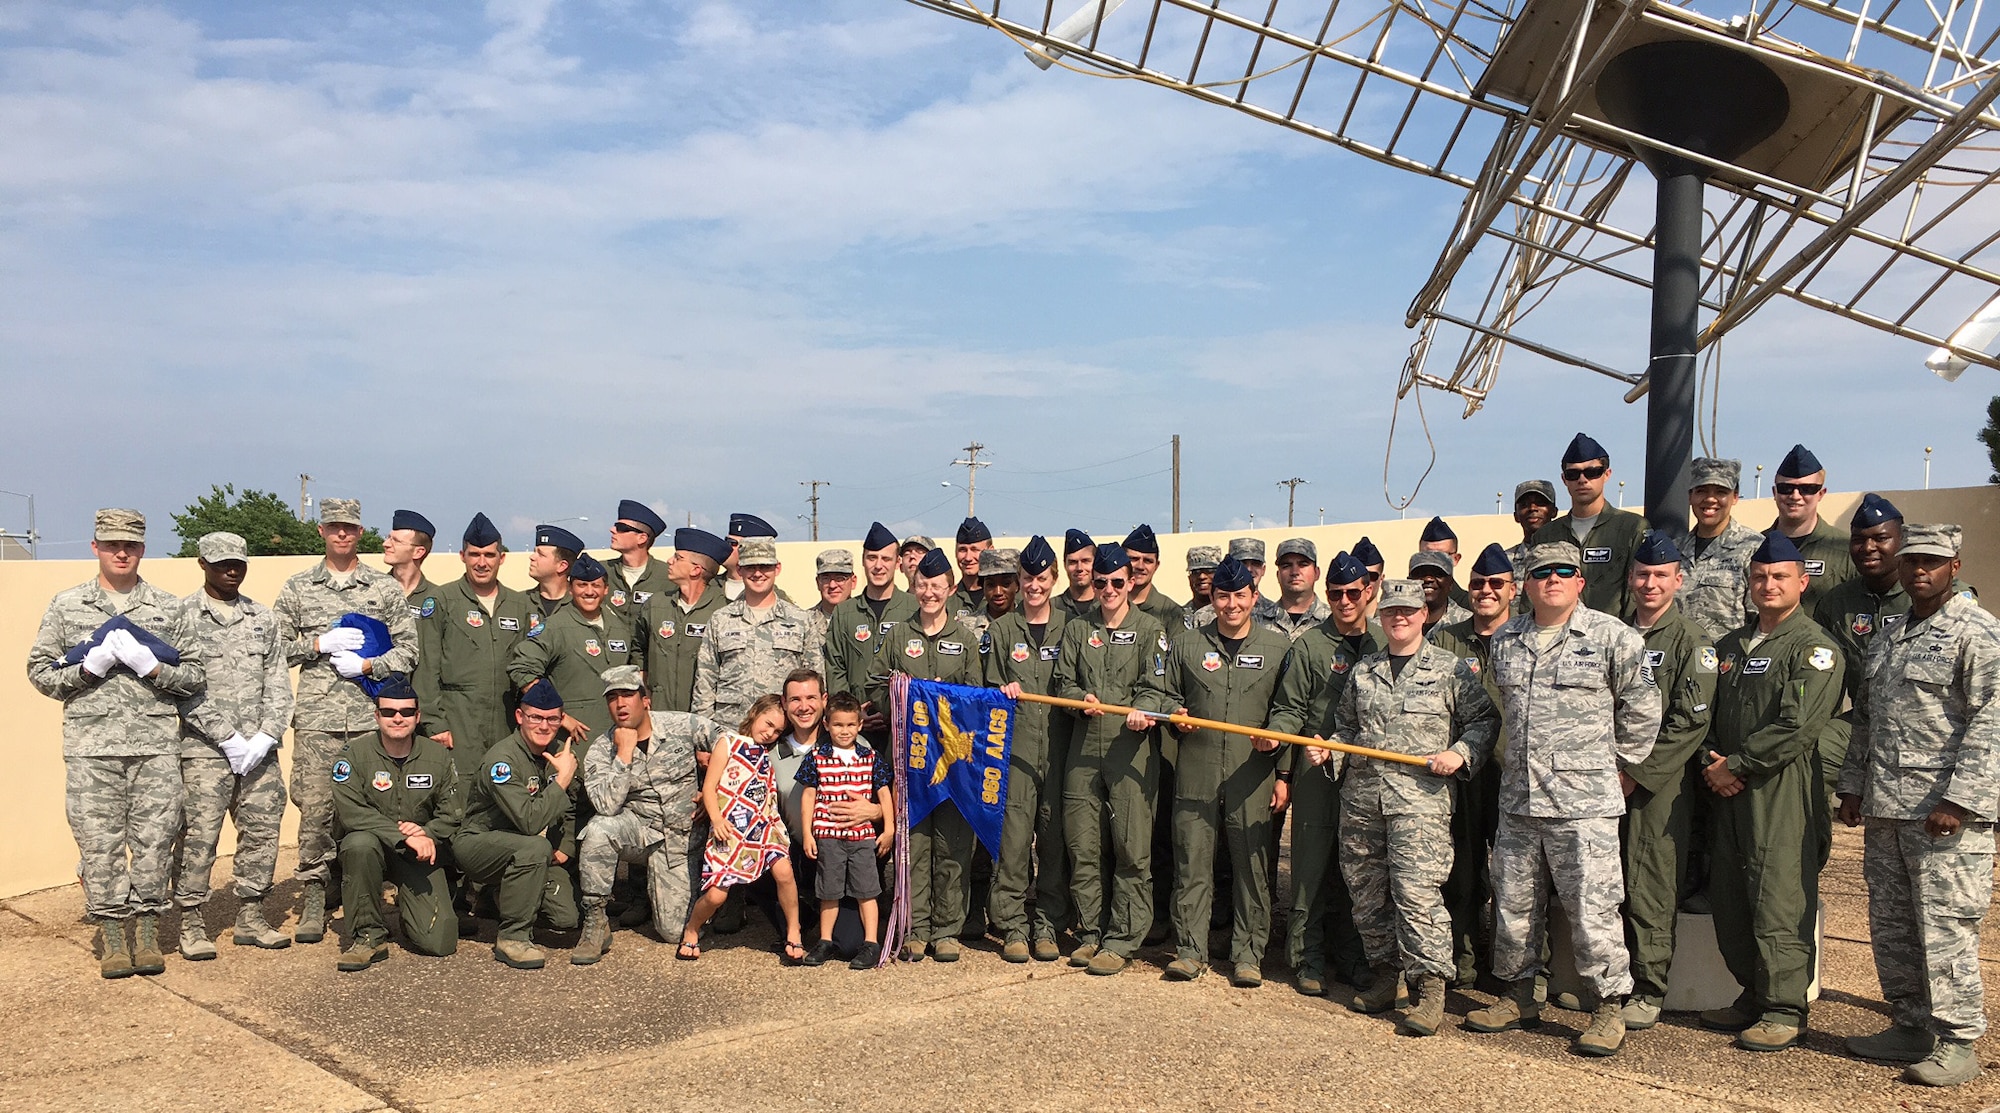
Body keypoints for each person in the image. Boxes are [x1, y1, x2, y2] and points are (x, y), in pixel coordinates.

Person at [1464, 541, 1660, 1058]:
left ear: (1580, 581)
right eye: (1541, 571)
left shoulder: (1613, 637)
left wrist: (1620, 769)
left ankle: (1609, 1004)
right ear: (1525, 583)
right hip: (1520, 801)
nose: (1552, 579)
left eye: (1563, 571)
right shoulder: (1507, 639)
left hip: (1585, 804)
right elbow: (1502, 711)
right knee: (1514, 904)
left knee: (1593, 908)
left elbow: (1642, 709)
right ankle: (1518, 994)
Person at [1837, 523, 2000, 1087]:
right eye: (1912, 562)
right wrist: (1853, 785)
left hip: (1943, 814)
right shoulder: (1888, 638)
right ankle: (1910, 1023)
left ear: (1955, 567)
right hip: (1886, 808)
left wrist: (1963, 799)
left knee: (1945, 926)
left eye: (1932, 561)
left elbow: (1992, 720)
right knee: (1894, 925)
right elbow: (1866, 720)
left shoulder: (1977, 633)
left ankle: (1958, 1040)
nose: (1919, 570)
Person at [29, 508, 206, 978]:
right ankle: (112, 936)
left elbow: (195, 675)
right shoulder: (67, 606)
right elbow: (40, 673)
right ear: (95, 548)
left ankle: (147, 933)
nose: (121, 552)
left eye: (130, 544)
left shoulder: (169, 608)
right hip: (91, 747)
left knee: (154, 839)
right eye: (111, 544)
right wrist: (90, 669)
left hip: (155, 746)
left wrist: (154, 669)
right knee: (99, 843)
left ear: (143, 549)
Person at [1318, 579, 1497, 1036]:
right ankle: (1386, 976)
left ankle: (1431, 987)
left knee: (1417, 894)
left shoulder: (1450, 669)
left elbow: (1483, 721)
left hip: (1420, 805)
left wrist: (1460, 752)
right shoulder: (1363, 672)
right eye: (1392, 611)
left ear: (1423, 615)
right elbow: (1346, 729)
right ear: (1381, 616)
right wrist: (1329, 751)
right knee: (1367, 891)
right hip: (1363, 802)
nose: (1400, 618)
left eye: (1409, 611)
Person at [1699, 532, 1845, 1052]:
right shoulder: (1730, 646)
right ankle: (1753, 993)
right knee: (1733, 894)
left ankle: (1785, 1006)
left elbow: (1798, 725)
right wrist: (1712, 760)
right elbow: (1704, 715)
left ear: (1802, 583)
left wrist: (1735, 765)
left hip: (1780, 787)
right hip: (1728, 787)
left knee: (1777, 893)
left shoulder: (1815, 648)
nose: (1768, 584)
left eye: (1780, 576)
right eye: (1760, 576)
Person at [273, 497, 418, 945]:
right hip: (318, 720)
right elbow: (273, 649)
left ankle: (369, 890)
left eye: (350, 528)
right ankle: (316, 893)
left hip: (370, 720)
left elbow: (409, 650)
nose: (342, 534)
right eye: (334, 526)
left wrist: (370, 667)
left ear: (360, 533)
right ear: (321, 531)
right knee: (316, 810)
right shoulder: (298, 588)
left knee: (377, 810)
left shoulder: (383, 588)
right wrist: (317, 643)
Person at [1160, 555, 1294, 987]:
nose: (1231, 604)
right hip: (1196, 772)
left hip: (1251, 773)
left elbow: (1291, 710)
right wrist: (1170, 712)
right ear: (1211, 598)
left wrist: (1282, 764)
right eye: (1223, 595)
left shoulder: (1278, 649)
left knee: (1251, 867)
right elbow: (1157, 691)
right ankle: (1189, 951)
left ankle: (1248, 954)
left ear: (1254, 596)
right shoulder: (1187, 645)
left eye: (1240, 595)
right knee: (1191, 864)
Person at [1054, 544, 1173, 976]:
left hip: (1130, 750)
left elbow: (1158, 685)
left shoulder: (1151, 629)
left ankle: (1122, 937)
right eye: (1100, 582)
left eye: (1117, 582)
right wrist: (1076, 699)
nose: (1108, 589)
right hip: (1084, 749)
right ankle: (1090, 932)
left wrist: (1144, 707)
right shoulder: (1076, 629)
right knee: (1083, 846)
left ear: (1131, 581)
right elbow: (1063, 680)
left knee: (1130, 848)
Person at [173, 531, 292, 957]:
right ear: (201, 562)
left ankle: (251, 915)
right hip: (203, 750)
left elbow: (278, 681)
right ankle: (190, 921)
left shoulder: (263, 618)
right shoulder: (179, 616)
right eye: (221, 562)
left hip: (259, 751)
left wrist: (266, 735)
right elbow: (179, 688)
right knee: (198, 836)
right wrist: (225, 736)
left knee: (262, 829)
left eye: (238, 563)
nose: (231, 570)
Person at [1267, 552, 1380, 996]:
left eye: (1354, 592)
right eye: (1336, 594)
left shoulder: (1383, 642)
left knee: (1359, 870)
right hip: (1316, 772)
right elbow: (1289, 708)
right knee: (1310, 868)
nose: (1345, 601)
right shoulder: (1310, 646)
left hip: (1367, 773)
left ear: (1368, 591)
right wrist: (1277, 744)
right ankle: (1306, 957)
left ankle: (1353, 957)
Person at [1618, 531, 1717, 1029]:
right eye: (1642, 574)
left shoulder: (1692, 642)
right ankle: (1612, 979)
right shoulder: (1611, 633)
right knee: (1606, 880)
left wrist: (1636, 773)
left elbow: (1690, 721)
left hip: (1660, 783)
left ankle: (1649, 986)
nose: (1650, 583)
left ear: (1679, 580)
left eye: (1660, 575)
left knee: (1649, 879)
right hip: (1604, 777)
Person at [572, 666, 727, 964]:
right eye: (613, 698)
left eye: (628, 695)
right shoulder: (601, 750)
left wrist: (713, 790)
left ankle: (686, 894)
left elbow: (726, 742)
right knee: (598, 830)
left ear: (645, 700)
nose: (620, 704)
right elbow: (606, 806)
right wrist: (623, 755)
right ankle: (595, 923)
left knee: (673, 932)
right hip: (641, 830)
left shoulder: (681, 725)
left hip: (682, 840)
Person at [871, 548, 982, 961]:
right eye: (922, 585)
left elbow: (977, 698)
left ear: (950, 589)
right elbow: (872, 687)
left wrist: (945, 696)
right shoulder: (898, 636)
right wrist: (901, 694)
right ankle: (916, 928)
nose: (929, 593)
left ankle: (948, 929)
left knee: (952, 843)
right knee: (914, 844)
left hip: (952, 760)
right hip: (910, 758)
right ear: (912, 587)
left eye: (937, 586)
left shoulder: (966, 640)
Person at [331, 675, 462, 970]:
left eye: (405, 712)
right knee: (359, 843)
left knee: (440, 943)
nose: (397, 718)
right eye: (389, 712)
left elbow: (452, 813)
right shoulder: (353, 756)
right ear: (377, 715)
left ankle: (410, 911)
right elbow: (352, 813)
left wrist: (427, 832)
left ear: (418, 716)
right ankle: (368, 936)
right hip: (373, 849)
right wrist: (401, 836)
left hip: (418, 853)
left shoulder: (438, 756)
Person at [1429, 542, 1516, 987]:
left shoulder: (1525, 639)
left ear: (1512, 590)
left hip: (1514, 779)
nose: (1486, 591)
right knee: (1458, 875)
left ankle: (1512, 971)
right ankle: (1461, 961)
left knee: (1515, 880)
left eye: (1495, 584)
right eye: (1478, 583)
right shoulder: (1445, 639)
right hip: (1459, 778)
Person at [985, 535, 1076, 962]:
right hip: (1017, 752)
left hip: (1060, 751)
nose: (1034, 585)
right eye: (1027, 578)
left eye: (1041, 577)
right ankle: (1013, 926)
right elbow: (987, 688)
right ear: (1019, 581)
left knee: (1055, 841)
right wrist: (1001, 691)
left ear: (1053, 579)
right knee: (1015, 842)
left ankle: (1048, 925)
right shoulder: (1003, 630)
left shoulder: (1073, 628)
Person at [454, 681, 581, 969]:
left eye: (552, 719)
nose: (544, 726)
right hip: (480, 844)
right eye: (535, 717)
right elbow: (529, 820)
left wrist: (567, 846)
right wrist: (562, 779)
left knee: (566, 919)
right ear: (520, 717)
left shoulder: (561, 753)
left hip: (529, 853)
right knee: (534, 845)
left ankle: (497, 896)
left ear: (561, 721)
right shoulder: (503, 760)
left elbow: (574, 806)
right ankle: (513, 938)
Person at [679, 695, 804, 963]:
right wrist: (716, 818)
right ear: (755, 713)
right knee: (715, 896)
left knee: (784, 872)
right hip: (730, 830)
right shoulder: (729, 743)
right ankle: (692, 928)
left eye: (777, 730)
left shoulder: (771, 750)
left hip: (764, 826)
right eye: (768, 724)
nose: (770, 733)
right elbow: (710, 787)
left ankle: (794, 931)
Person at [422, 513, 537, 781]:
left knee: (505, 795)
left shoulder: (520, 606)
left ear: (502, 557)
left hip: (507, 723)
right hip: (458, 722)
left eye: (489, 555)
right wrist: (434, 722)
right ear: (462, 556)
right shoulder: (442, 601)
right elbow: (427, 667)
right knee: (459, 800)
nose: (482, 563)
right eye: (475, 555)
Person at [795, 693, 896, 970]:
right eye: (838, 725)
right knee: (829, 890)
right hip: (828, 835)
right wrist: (808, 833)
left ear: (860, 725)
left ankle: (871, 942)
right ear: (826, 724)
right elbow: (808, 796)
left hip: (862, 837)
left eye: (851, 725)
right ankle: (825, 940)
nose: (845, 731)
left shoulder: (870, 757)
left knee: (867, 890)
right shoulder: (817, 756)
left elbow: (884, 794)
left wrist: (888, 829)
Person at [506, 552, 637, 762]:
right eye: (581, 585)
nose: (589, 592)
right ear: (570, 589)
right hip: (575, 738)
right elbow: (521, 668)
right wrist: (559, 717)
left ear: (606, 590)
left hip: (616, 736)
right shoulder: (555, 627)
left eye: (595, 585)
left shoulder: (620, 628)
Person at [693, 537, 830, 728]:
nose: (758, 573)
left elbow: (815, 679)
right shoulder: (720, 620)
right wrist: (703, 735)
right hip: (731, 731)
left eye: (765, 566)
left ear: (777, 568)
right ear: (739, 570)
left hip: (783, 730)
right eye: (750, 567)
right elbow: (705, 682)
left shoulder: (800, 620)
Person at [1531, 433, 1646, 619]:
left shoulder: (1632, 529)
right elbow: (1532, 596)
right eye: (1573, 474)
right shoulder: (1546, 536)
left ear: (1607, 474)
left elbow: (1637, 593)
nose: (1582, 480)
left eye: (1592, 472)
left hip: (1613, 640)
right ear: (1564, 479)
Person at [823, 522, 920, 730]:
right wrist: (853, 714)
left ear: (898, 563)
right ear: (863, 562)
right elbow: (835, 668)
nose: (878, 565)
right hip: (854, 729)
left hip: (905, 725)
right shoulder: (844, 612)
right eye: (872, 558)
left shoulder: (914, 608)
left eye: (886, 558)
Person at [638, 527, 732, 714]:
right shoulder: (655, 605)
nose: (669, 561)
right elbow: (639, 649)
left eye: (678, 558)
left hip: (704, 715)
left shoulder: (724, 611)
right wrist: (643, 689)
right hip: (659, 713)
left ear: (696, 569)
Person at [1672, 458, 1762, 640]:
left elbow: (1761, 618)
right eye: (1701, 491)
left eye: (1721, 492)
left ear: (1735, 497)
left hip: (1726, 661)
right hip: (1676, 661)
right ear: (1690, 496)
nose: (1710, 499)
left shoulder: (1753, 547)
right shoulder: (1673, 550)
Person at [1763, 444, 1856, 612]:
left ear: (1821, 493)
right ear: (1774, 492)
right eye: (1786, 488)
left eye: (1807, 489)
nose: (1795, 496)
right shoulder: (1753, 546)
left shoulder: (1846, 550)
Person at [382, 509, 443, 718]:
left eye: (396, 541)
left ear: (418, 552)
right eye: (388, 537)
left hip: (423, 711)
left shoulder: (438, 599)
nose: (386, 544)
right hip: (380, 708)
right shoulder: (371, 592)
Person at [606, 499, 672, 620]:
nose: (612, 530)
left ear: (642, 538)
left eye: (621, 527)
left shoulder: (668, 577)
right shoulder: (601, 572)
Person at [1267, 539, 1331, 641]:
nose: (1295, 572)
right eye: (1286, 566)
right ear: (1278, 575)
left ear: (1317, 573)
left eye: (1303, 564)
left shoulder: (1333, 621)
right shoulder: (1257, 621)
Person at [1124, 525, 1185, 631]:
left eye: (1148, 561)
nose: (1140, 566)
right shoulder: (1103, 606)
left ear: (1156, 566)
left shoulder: (1171, 612)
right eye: (1134, 559)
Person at [959, 547, 1019, 643]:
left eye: (1006, 584)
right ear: (983, 586)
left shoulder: (1028, 624)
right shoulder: (964, 628)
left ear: (1017, 585)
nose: (998, 592)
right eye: (991, 585)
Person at [524, 524, 581, 619]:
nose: (532, 557)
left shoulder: (580, 604)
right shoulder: (519, 602)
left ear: (562, 566)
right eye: (534, 552)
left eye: (541, 554)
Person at [722, 512, 781, 601]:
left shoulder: (776, 597)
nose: (726, 547)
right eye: (726, 542)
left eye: (732, 543)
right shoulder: (706, 586)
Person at [1418, 516, 1473, 610]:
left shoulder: (1469, 606)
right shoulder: (1406, 602)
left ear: (1455, 559)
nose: (1433, 561)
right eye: (1427, 555)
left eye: (1441, 556)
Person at [1409, 552, 1470, 632]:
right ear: (1409, 581)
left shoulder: (1467, 623)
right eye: (1420, 574)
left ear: (1451, 583)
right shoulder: (1395, 620)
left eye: (1437, 574)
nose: (1428, 579)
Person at [1508, 480, 1558, 577]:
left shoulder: (1570, 555)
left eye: (1540, 503)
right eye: (1524, 504)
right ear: (1516, 516)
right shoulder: (1504, 561)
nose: (1532, 508)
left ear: (1554, 512)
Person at [950, 517, 994, 618]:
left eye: (975, 549)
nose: (968, 558)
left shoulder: (1005, 597)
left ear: (990, 551)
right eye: (962, 550)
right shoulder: (947, 600)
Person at [1056, 529, 1097, 618]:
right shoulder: (1052, 608)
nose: (1079, 568)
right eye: (1073, 562)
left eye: (1085, 561)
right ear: (1064, 565)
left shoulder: (1107, 605)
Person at [813, 549, 857, 619]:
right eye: (826, 578)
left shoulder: (866, 619)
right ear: (818, 583)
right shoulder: (804, 623)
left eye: (840, 578)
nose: (832, 585)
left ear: (853, 582)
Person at [1184, 544, 1221, 622]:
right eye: (1196, 572)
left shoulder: (1228, 613)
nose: (1202, 576)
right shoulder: (1179, 616)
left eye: (1209, 571)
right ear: (1189, 578)